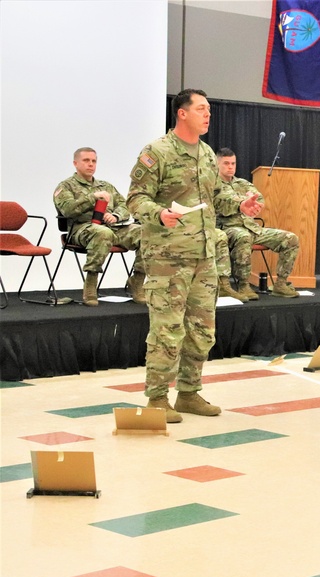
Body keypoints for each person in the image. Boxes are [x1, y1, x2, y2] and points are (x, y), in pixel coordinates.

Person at [127, 89, 262, 423]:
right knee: (166, 329)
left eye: (210, 110)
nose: (208, 114)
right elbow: (135, 199)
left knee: (202, 330)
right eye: (202, 109)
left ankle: (188, 393)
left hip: (204, 257)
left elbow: (218, 195)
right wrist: (158, 213)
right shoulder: (156, 151)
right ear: (182, 113)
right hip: (168, 257)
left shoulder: (205, 153)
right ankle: (157, 398)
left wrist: (240, 204)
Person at [53, 148, 144, 306]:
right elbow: (67, 210)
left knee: (146, 233)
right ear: (75, 163)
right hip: (82, 229)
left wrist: (116, 216)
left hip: (113, 228)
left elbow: (125, 206)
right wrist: (92, 197)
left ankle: (137, 280)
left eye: (93, 161)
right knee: (102, 233)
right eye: (86, 160)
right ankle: (91, 283)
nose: (91, 164)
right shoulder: (66, 186)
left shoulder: (106, 186)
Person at [216, 148, 299, 299]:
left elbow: (258, 199)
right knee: (243, 236)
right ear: (217, 164)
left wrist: (252, 203)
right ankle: (243, 285)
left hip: (253, 229)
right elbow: (223, 201)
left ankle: (280, 284)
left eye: (233, 163)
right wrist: (243, 201)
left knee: (291, 238)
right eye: (226, 163)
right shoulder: (214, 185)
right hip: (229, 229)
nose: (230, 167)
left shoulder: (242, 183)